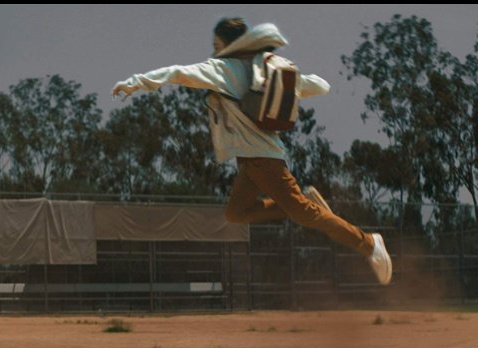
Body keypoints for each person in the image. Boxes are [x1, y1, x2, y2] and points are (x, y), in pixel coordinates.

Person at [112, 17, 392, 285]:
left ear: (229, 45)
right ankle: (307, 204)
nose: (214, 51)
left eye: (217, 45)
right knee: (237, 212)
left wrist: (136, 82)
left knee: (306, 215)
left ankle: (368, 243)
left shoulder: (222, 70)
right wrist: (291, 82)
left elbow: (178, 72)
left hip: (263, 160)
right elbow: (320, 86)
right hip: (251, 161)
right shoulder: (263, 70)